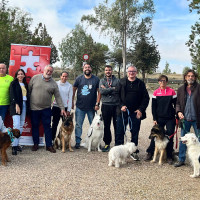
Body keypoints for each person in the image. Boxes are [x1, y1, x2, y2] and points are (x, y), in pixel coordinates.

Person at [29, 65, 66, 153]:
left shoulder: (53, 83)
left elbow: (58, 96)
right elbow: (29, 90)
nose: (49, 72)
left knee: (47, 127)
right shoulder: (35, 78)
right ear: (44, 70)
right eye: (48, 70)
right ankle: (35, 144)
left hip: (46, 109)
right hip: (34, 108)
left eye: (51, 71)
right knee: (35, 126)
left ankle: (49, 145)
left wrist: (62, 108)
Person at [115, 66, 149, 160]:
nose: (131, 73)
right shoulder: (121, 82)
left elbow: (146, 98)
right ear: (127, 72)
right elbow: (116, 95)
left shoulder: (140, 83)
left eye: (133, 71)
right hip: (123, 111)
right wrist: (121, 105)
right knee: (120, 131)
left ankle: (133, 152)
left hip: (135, 112)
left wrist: (141, 109)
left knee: (134, 132)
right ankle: (118, 151)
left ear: (136, 72)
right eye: (130, 71)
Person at [144, 75, 177, 164]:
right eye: (160, 81)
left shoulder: (172, 92)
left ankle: (169, 156)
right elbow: (153, 107)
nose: (162, 82)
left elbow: (176, 105)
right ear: (158, 82)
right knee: (155, 135)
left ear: (166, 82)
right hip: (159, 118)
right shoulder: (155, 92)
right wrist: (155, 118)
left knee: (170, 136)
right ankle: (150, 153)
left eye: (164, 81)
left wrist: (177, 116)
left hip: (170, 118)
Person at [174, 69, 200, 167]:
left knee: (199, 140)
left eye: (192, 76)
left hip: (197, 119)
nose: (190, 77)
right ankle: (181, 159)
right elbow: (177, 104)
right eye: (188, 76)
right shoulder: (181, 89)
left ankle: (198, 160)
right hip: (185, 119)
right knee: (183, 140)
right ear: (185, 77)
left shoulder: (199, 88)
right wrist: (179, 112)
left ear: (195, 77)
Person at [73, 63, 100, 149]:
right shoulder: (79, 79)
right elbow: (73, 91)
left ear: (91, 69)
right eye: (85, 67)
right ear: (83, 69)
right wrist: (71, 102)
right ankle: (77, 141)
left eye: (88, 67)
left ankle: (94, 142)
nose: (87, 69)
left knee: (94, 125)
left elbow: (99, 92)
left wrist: (97, 103)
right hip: (80, 107)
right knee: (78, 125)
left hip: (92, 108)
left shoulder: (96, 79)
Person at [99, 65, 120, 152]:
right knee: (106, 126)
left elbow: (118, 90)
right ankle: (107, 143)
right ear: (104, 71)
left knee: (117, 126)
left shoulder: (117, 80)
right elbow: (102, 91)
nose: (108, 71)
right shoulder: (102, 80)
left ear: (112, 71)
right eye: (106, 70)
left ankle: (117, 144)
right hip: (106, 105)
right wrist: (112, 88)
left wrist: (107, 88)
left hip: (116, 105)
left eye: (109, 70)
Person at [9, 69, 29, 155]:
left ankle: (17, 145)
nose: (20, 75)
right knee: (16, 125)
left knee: (21, 125)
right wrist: (16, 104)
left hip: (24, 105)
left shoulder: (25, 84)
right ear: (16, 76)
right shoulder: (13, 83)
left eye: (22, 74)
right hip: (16, 106)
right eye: (19, 74)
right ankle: (13, 146)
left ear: (24, 76)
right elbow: (12, 95)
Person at [52, 71, 73, 141]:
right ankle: (52, 140)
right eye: (63, 76)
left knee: (65, 125)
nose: (64, 78)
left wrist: (69, 110)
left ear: (67, 77)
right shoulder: (55, 84)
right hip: (56, 107)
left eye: (66, 76)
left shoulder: (69, 86)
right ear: (60, 76)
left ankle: (63, 140)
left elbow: (70, 99)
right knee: (54, 124)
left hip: (65, 108)